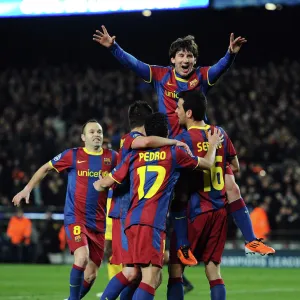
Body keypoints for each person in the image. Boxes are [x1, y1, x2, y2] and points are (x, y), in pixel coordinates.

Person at [93, 27, 265, 261]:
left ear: (194, 61)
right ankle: (177, 248)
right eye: (181, 55)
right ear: (172, 59)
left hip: (200, 141)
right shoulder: (161, 76)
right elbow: (134, 63)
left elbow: (219, 69)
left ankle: (251, 240)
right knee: (179, 196)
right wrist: (113, 48)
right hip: (173, 148)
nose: (186, 60)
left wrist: (230, 54)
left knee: (231, 185)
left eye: (190, 56)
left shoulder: (201, 76)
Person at [94, 112, 223, 300]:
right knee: (151, 278)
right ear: (167, 133)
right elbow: (207, 164)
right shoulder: (174, 153)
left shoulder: (133, 156)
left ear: (147, 133)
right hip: (151, 223)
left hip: (130, 222)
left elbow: (103, 184)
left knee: (136, 273)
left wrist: (98, 183)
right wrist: (212, 146)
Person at [168, 91, 274, 300]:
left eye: (178, 107)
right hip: (220, 213)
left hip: (195, 212)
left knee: (175, 271)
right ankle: (251, 239)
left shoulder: (182, 140)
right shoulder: (219, 133)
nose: (175, 110)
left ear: (189, 113)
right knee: (213, 271)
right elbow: (234, 166)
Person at [12, 119, 118, 300]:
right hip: (76, 217)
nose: (96, 135)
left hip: (98, 222)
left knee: (92, 274)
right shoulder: (73, 156)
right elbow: (46, 168)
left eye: (99, 132)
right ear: (83, 137)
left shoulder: (113, 157)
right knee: (82, 257)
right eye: (92, 132)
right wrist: (27, 188)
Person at [100, 101, 193, 300]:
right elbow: (147, 142)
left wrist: (100, 184)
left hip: (132, 212)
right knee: (139, 274)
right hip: (131, 212)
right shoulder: (134, 139)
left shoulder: (138, 151)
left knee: (138, 275)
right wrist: (173, 141)